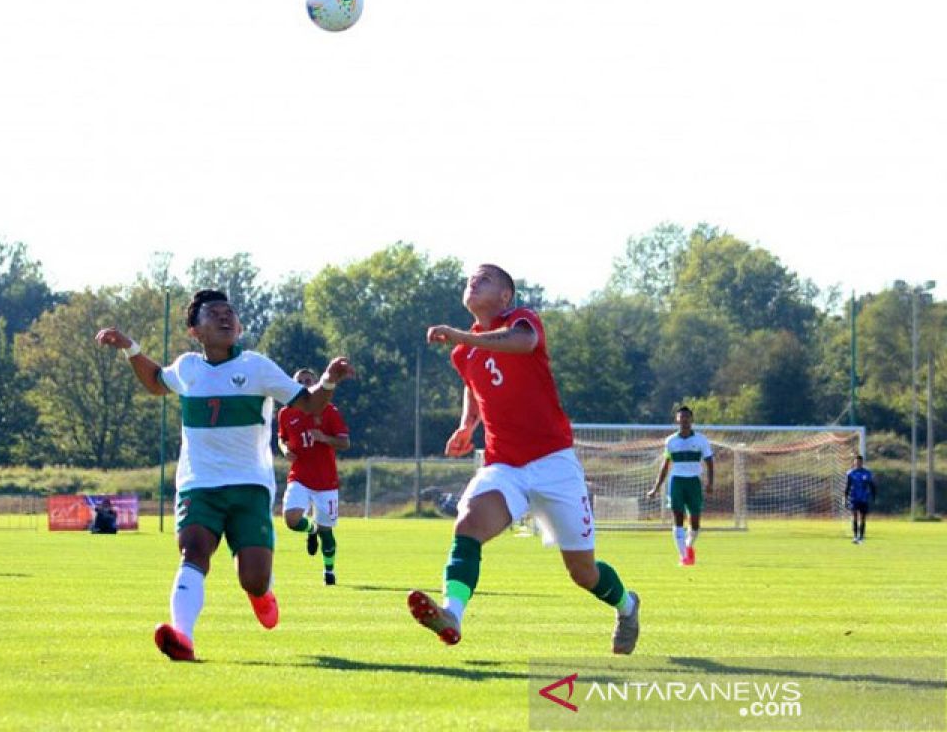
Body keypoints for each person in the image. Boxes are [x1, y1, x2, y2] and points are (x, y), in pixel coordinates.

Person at [95, 289, 354, 662]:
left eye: (230, 312)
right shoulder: (187, 368)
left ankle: (262, 592)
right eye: (214, 313)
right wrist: (130, 347)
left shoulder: (257, 367)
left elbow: (309, 402)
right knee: (194, 550)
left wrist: (328, 380)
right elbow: (155, 381)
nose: (224, 318)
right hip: (199, 485)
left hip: (250, 488)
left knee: (252, 577)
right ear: (194, 331)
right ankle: (182, 636)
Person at [408, 264, 641, 654]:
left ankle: (628, 606)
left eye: (485, 278)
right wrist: (467, 425)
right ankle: (451, 614)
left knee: (583, 573)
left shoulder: (521, 320)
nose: (473, 281)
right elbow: (474, 383)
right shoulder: (464, 352)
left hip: (554, 463)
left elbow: (522, 344)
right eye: (471, 278)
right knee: (467, 525)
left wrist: (461, 335)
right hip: (504, 465)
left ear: (504, 296)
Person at [277, 367, 351, 585]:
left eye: (308, 380)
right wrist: (284, 450)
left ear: (317, 383)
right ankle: (311, 529)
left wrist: (324, 438)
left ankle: (329, 571)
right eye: (300, 381)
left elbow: (345, 442)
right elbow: (282, 438)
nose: (304, 384)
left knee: (327, 533)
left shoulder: (329, 411)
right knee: (291, 519)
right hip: (299, 476)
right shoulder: (286, 413)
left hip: (326, 481)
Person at [647, 406, 715, 566]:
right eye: (681, 417)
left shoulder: (701, 440)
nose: (684, 420)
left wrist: (710, 483)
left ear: (692, 419)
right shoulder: (671, 441)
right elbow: (665, 465)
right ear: (677, 420)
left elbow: (710, 462)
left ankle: (688, 547)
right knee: (677, 518)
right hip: (676, 481)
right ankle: (684, 557)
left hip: (694, 482)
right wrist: (656, 488)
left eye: (687, 417)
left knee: (696, 522)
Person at [845, 454, 876, 544]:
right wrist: (845, 498)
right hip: (853, 498)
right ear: (854, 463)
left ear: (862, 463)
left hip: (864, 498)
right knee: (854, 516)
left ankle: (861, 537)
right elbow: (848, 486)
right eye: (856, 462)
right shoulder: (850, 473)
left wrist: (873, 496)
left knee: (862, 518)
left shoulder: (867, 473)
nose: (858, 463)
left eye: (859, 462)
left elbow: (872, 485)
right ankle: (855, 536)